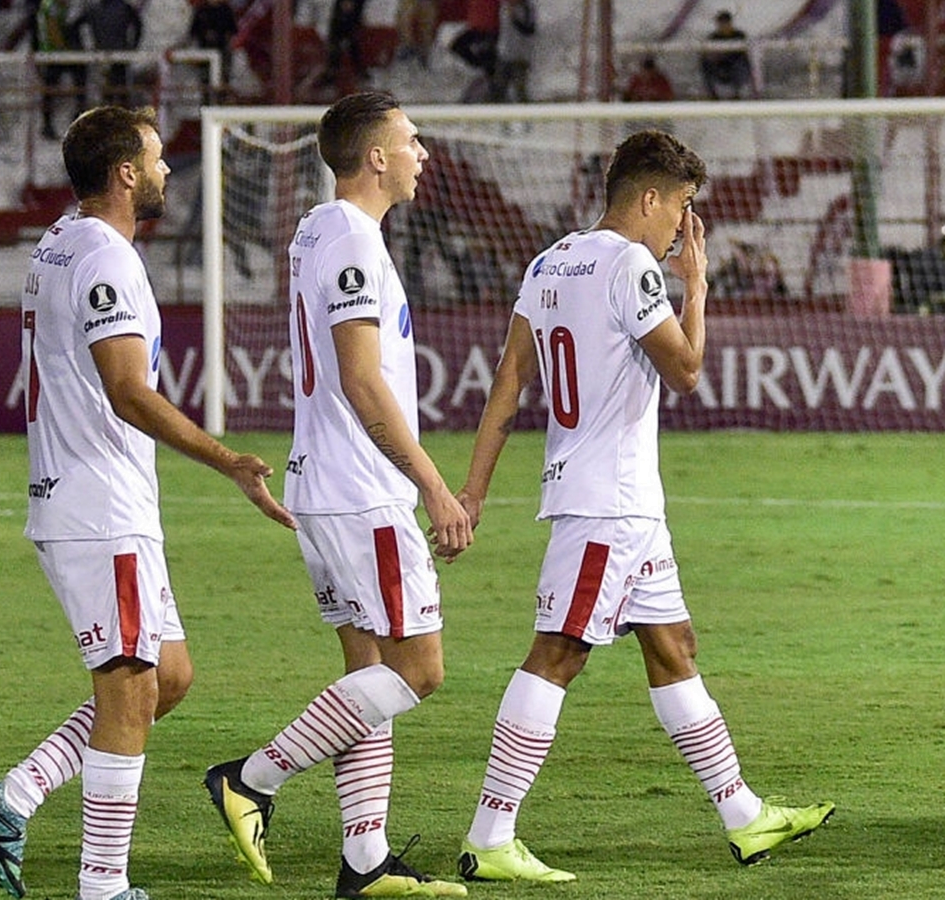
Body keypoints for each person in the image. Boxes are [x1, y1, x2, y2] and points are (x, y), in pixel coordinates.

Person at [451, 129, 834, 884]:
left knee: (673, 645)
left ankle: (744, 816)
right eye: (680, 209)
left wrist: (475, 490)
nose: (678, 230)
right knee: (558, 652)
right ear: (649, 197)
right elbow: (686, 370)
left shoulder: (549, 260)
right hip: (610, 504)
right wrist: (697, 286)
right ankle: (490, 835)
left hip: (610, 499)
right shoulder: (630, 266)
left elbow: (508, 385)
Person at [0, 104, 295, 900]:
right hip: (97, 504)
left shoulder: (59, 240)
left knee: (166, 677)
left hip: (97, 501)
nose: (168, 171)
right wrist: (227, 462)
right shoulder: (106, 257)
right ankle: (103, 886)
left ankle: (15, 797)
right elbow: (128, 392)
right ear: (124, 175)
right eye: (156, 158)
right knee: (127, 686)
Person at [204, 91, 474, 900]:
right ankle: (251, 778)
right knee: (419, 670)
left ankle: (365, 860)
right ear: (378, 157)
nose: (424, 152)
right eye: (412, 139)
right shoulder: (352, 240)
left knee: (366, 672)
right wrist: (433, 484)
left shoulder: (318, 229)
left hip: (324, 483)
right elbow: (361, 378)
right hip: (363, 491)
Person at [75, 0, 142, 107]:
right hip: (117, 53)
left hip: (106, 54)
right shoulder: (123, 8)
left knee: (110, 89)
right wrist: (133, 46)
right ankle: (120, 114)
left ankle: (111, 113)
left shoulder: (95, 9)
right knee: (118, 89)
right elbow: (138, 25)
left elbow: (75, 26)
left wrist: (81, 47)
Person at [36, 0, 86, 139]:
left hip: (60, 50)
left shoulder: (56, 7)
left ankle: (78, 118)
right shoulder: (50, 6)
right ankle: (47, 124)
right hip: (55, 52)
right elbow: (53, 30)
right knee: (50, 87)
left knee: (79, 81)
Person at [700, 10, 753, 100]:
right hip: (719, 66)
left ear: (730, 23)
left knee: (741, 64)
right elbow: (707, 53)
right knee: (705, 63)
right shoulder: (713, 37)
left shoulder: (739, 35)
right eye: (721, 23)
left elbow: (744, 53)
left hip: (736, 65)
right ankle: (713, 95)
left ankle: (738, 93)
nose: (723, 26)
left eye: (725, 23)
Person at [488, 0, 534, 103]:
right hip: (503, 53)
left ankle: (526, 115)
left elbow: (529, 30)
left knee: (519, 89)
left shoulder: (526, 8)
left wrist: (514, 18)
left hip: (520, 55)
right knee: (499, 87)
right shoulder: (503, 8)